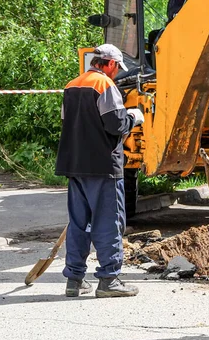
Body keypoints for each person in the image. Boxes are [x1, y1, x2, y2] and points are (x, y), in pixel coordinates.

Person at [55, 44, 145, 298]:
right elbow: (115, 125)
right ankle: (109, 280)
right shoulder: (105, 86)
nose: (116, 73)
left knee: (78, 224)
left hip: (75, 166)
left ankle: (74, 280)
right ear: (111, 64)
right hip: (103, 167)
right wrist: (133, 117)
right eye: (117, 68)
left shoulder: (72, 85)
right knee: (109, 223)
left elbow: (68, 123)